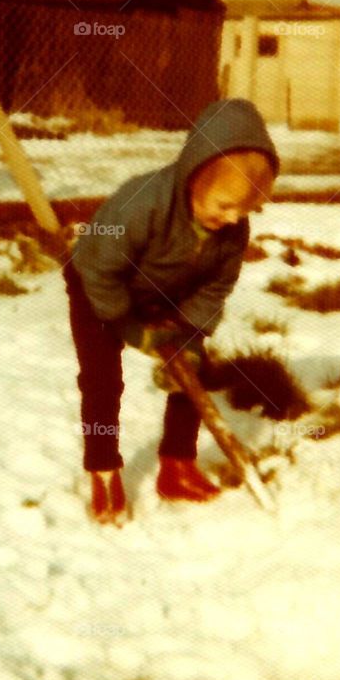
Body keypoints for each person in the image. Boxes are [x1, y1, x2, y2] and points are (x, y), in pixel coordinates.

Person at [63, 98, 280, 525]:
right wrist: (130, 328)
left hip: (165, 291)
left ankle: (177, 466)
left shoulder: (232, 228)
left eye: (246, 210)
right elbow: (98, 270)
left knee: (192, 369)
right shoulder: (142, 204)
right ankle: (103, 469)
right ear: (195, 175)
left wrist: (189, 334)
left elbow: (215, 284)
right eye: (224, 205)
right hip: (99, 286)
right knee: (103, 380)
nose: (234, 217)